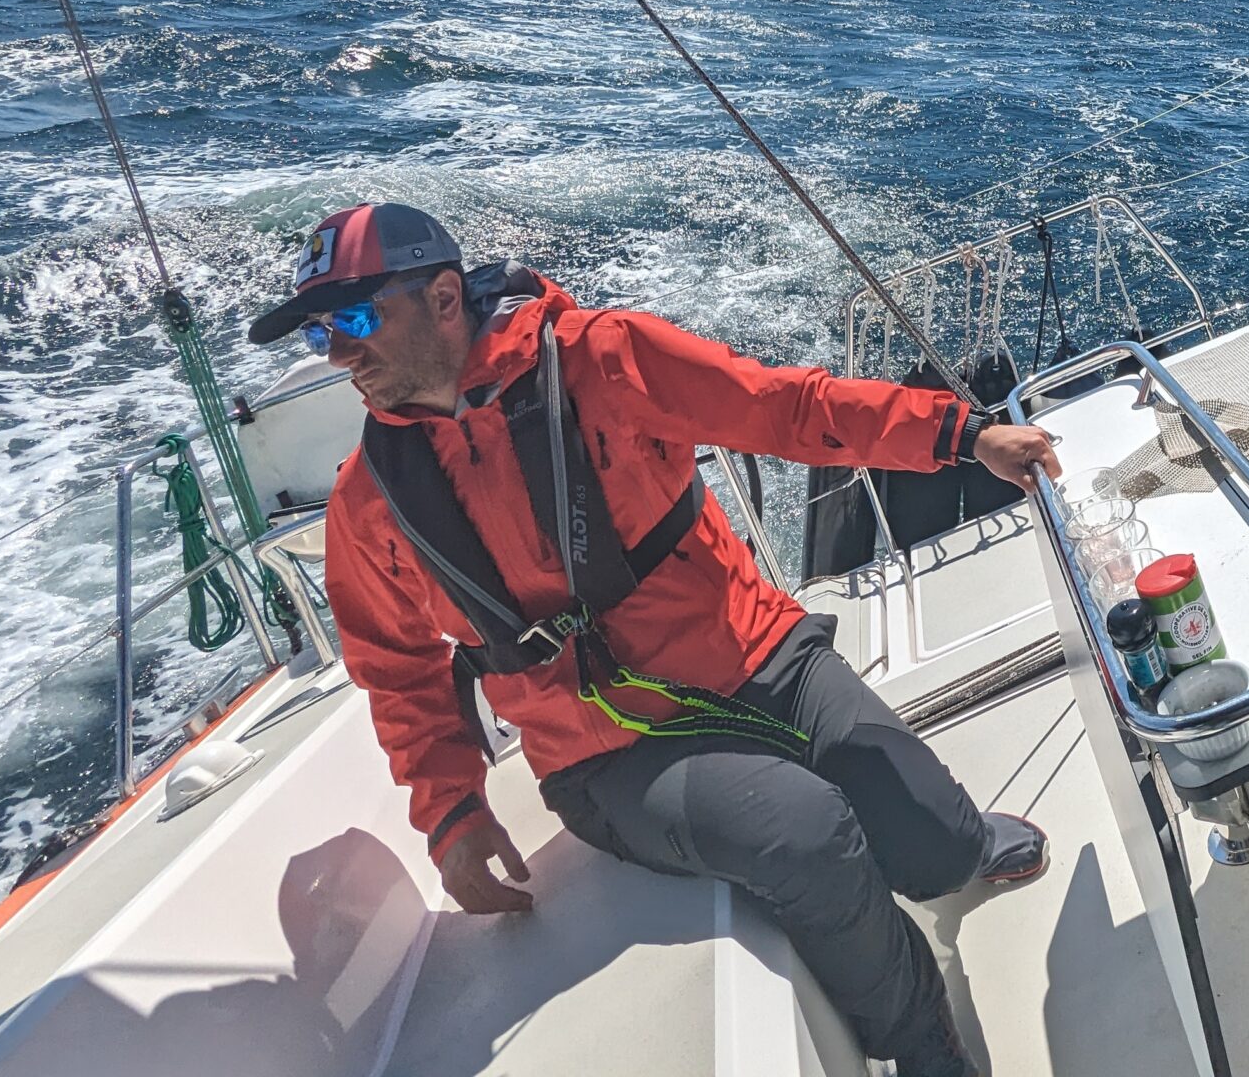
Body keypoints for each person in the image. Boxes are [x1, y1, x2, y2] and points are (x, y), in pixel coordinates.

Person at [264, 203, 1062, 1077]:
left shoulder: (604, 359)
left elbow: (782, 408)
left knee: (933, 838)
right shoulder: (368, 503)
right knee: (806, 834)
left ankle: (959, 844)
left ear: (445, 297)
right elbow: (397, 669)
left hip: (756, 654)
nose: (338, 355)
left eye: (355, 320)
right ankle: (921, 1045)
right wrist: (451, 809)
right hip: (608, 752)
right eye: (318, 334)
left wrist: (961, 435)